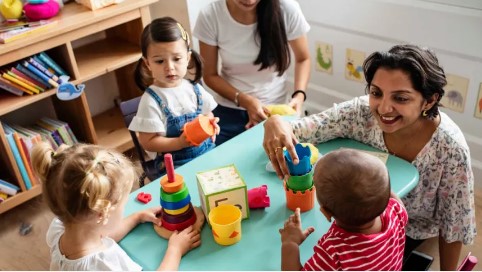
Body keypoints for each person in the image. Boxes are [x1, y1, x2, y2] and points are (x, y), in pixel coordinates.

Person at [263, 44, 476, 270]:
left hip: (410, 232)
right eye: (376, 93)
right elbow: (302, 129)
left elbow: (454, 225)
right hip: (359, 220)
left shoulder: (451, 149)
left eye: (401, 98)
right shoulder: (359, 113)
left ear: (429, 100)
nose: (383, 108)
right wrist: (275, 122)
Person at [31, 142, 201, 270]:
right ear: (101, 214)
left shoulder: (60, 228)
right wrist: (175, 250)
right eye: (123, 205)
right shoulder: (105, 264)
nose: (125, 209)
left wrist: (137, 217)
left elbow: (102, 234)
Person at [193, 0, 311, 145]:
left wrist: (299, 95)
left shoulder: (287, 9)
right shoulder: (211, 15)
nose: (249, 1)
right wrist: (246, 101)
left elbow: (303, 58)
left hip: (275, 108)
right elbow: (209, 75)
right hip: (230, 108)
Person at [280, 149, 408, 270]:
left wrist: (290, 243)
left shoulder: (334, 252)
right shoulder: (396, 212)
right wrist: (375, 185)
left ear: (326, 213)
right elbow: (389, 196)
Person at [130, 17, 220, 177]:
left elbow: (207, 114)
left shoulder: (194, 89)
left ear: (188, 58)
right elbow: (147, 142)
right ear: (147, 64)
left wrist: (210, 125)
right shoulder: (151, 100)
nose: (169, 67)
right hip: (175, 165)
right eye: (159, 61)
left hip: (207, 154)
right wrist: (179, 143)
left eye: (177, 59)